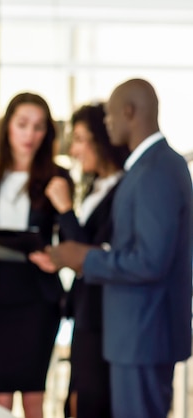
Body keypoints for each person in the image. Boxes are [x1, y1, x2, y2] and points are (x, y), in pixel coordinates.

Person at [38, 78, 193, 418]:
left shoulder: (156, 170)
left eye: (109, 117)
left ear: (129, 112)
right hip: (135, 333)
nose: (107, 125)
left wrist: (83, 257)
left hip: (144, 333)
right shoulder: (148, 167)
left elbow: (150, 262)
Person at [0, 92, 72, 418]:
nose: (30, 135)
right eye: (22, 124)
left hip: (38, 295)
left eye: (39, 127)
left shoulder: (57, 177)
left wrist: (54, 256)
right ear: (7, 127)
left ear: (48, 133)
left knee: (35, 397)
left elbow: (71, 241)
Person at [33, 103, 129, 418]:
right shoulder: (95, 187)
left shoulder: (124, 191)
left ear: (102, 140)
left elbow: (90, 254)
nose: (72, 150)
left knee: (88, 402)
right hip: (85, 310)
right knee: (75, 401)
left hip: (105, 314)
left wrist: (64, 209)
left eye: (79, 139)